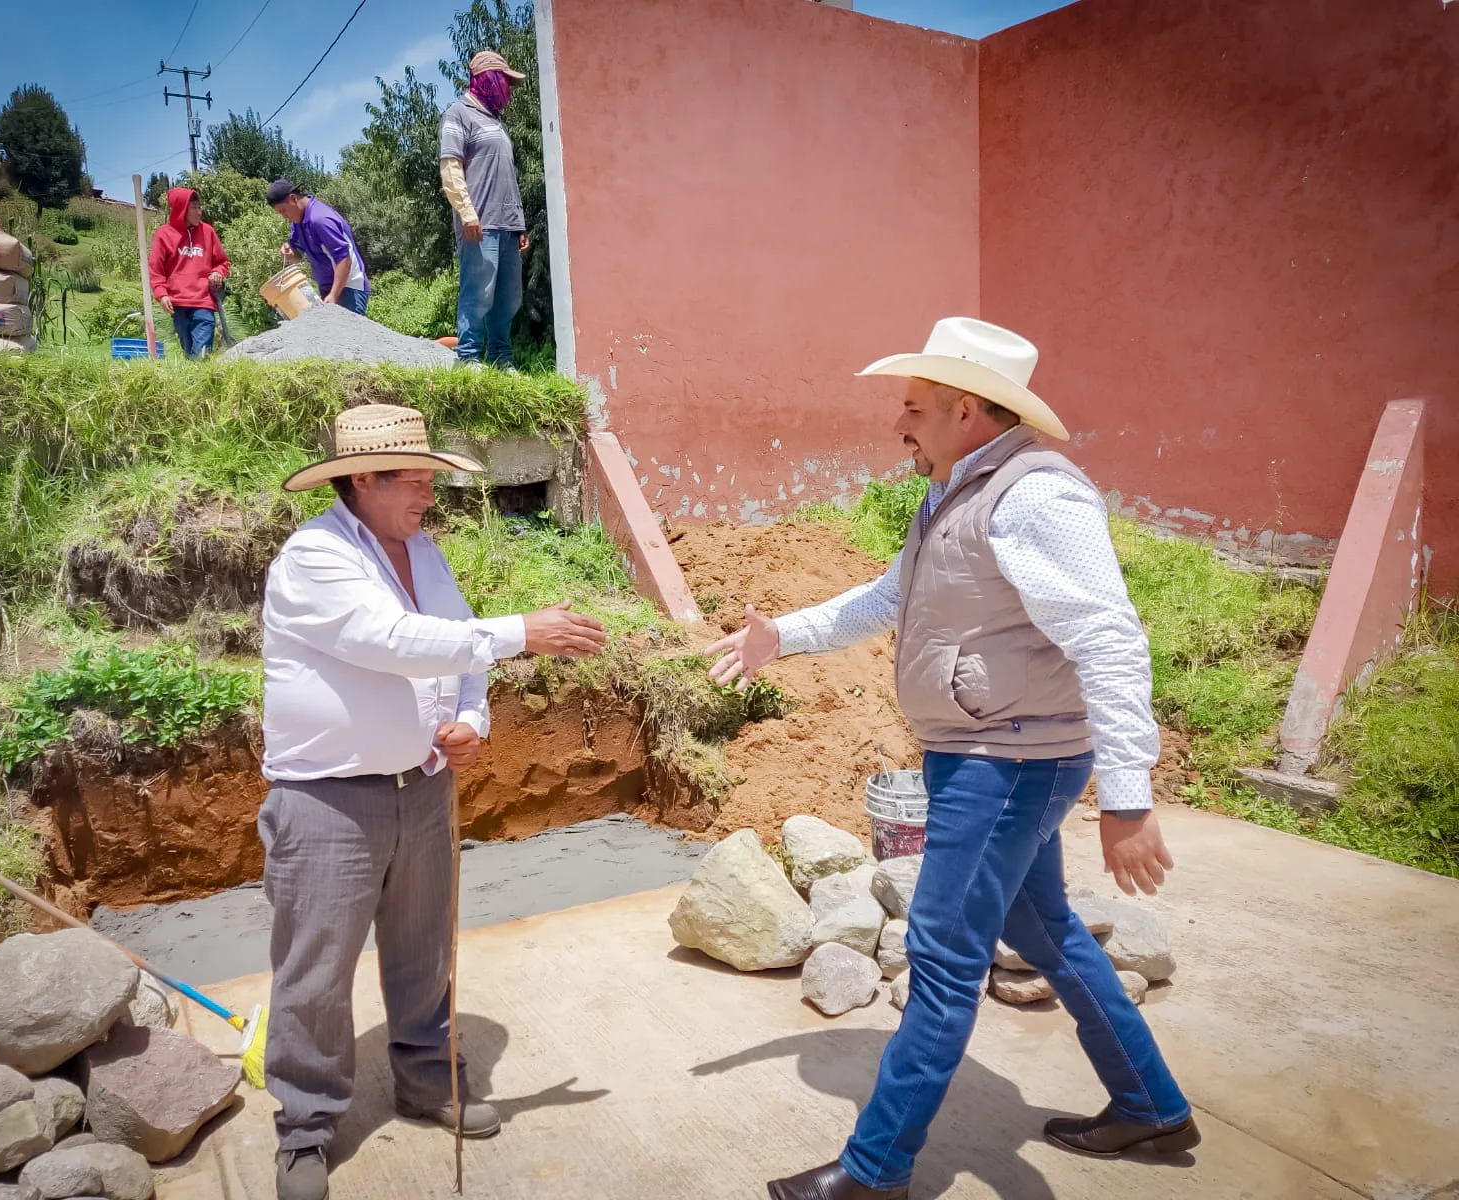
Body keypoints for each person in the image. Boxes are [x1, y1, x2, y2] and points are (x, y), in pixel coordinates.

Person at [706, 317, 1199, 1200]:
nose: (899, 422)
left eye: (913, 406)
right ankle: (1152, 1105)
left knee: (941, 957)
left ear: (966, 410)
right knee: (1039, 926)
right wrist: (783, 636)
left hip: (1006, 763)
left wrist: (1129, 796)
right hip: (992, 752)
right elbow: (893, 596)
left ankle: (875, 1171)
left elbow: (1111, 641)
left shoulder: (1034, 497)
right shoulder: (956, 493)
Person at [259, 403, 609, 1200]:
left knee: (424, 952)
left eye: (430, 476)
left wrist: (469, 719)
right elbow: (388, 641)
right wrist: (524, 629)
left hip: (422, 787)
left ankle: (426, 1080)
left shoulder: (424, 552)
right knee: (315, 971)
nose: (428, 492)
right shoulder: (315, 555)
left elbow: (457, 649)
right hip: (327, 801)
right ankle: (307, 1127)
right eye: (414, 477)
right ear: (363, 480)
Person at [439, 50, 530, 368]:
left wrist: (518, 224)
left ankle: (502, 360)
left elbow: (506, 175)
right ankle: (468, 358)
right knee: (479, 293)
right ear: (488, 78)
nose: (508, 89)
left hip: (506, 224)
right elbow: (450, 167)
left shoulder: (497, 123)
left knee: (508, 299)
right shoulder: (458, 113)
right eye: (505, 81)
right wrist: (466, 212)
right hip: (479, 222)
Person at [147, 186, 229, 360]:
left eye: (200, 207)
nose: (200, 212)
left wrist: (217, 272)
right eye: (194, 208)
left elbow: (222, 262)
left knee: (201, 355)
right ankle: (195, 384)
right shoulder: (164, 234)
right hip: (178, 304)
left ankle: (202, 382)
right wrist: (162, 294)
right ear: (181, 209)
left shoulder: (208, 232)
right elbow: (156, 269)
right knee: (188, 352)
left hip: (203, 303)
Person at [267, 179, 370, 314]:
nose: (284, 217)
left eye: (284, 211)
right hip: (329, 288)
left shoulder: (320, 219)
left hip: (349, 288)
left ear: (293, 199)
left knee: (348, 334)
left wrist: (333, 295)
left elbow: (344, 259)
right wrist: (290, 252)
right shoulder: (298, 221)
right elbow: (298, 255)